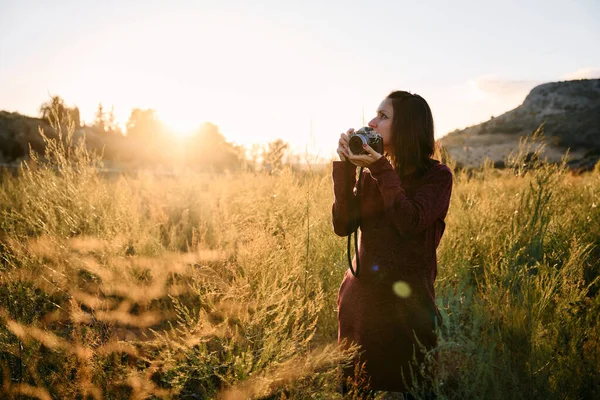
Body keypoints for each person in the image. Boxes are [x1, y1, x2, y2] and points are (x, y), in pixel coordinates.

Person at [332, 90, 453, 395]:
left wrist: (379, 168)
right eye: (375, 114)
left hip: (409, 309)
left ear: (408, 128)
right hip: (361, 304)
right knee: (357, 389)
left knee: (417, 386)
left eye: (383, 116)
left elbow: (410, 221)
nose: (372, 122)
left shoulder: (437, 177)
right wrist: (346, 167)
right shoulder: (374, 172)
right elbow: (342, 226)